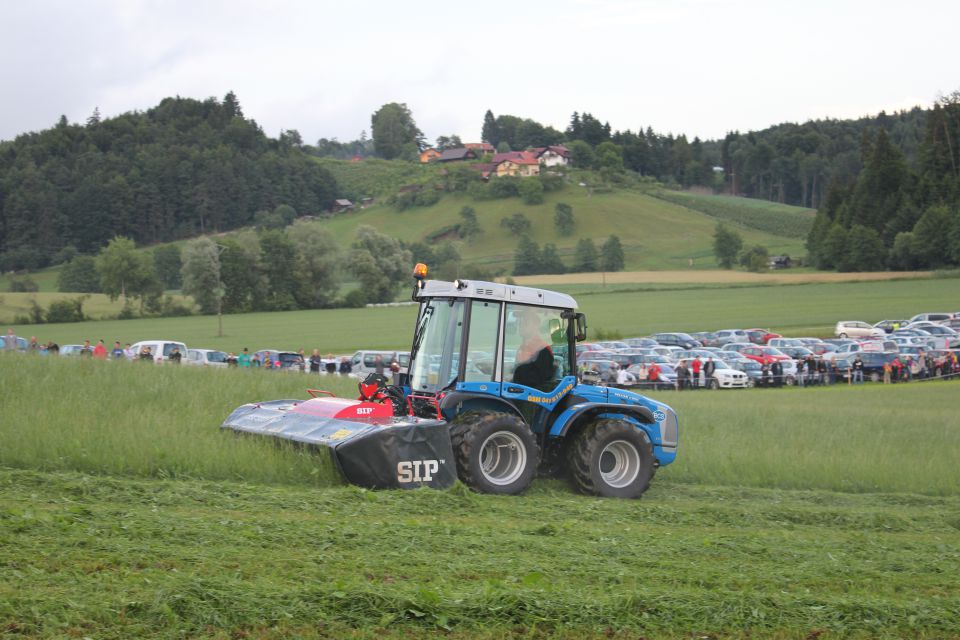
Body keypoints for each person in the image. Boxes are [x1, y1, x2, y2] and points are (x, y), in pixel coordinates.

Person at [512, 309, 554, 389]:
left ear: (536, 325)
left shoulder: (543, 349)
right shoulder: (522, 347)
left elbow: (542, 381)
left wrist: (514, 376)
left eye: (525, 323)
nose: (521, 326)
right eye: (520, 323)